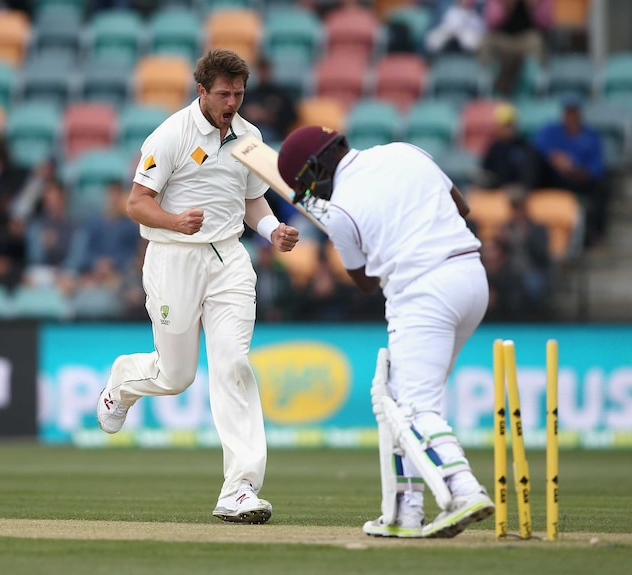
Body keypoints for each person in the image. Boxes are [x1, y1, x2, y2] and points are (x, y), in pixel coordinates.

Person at [96, 49, 300, 524]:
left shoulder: (251, 139)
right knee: (176, 376)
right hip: (174, 260)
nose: (232, 103)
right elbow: (136, 203)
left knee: (233, 365)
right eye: (224, 94)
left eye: (239, 94)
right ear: (202, 91)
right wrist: (174, 221)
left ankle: (240, 488)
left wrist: (273, 233)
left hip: (229, 258)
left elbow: (254, 203)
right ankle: (123, 381)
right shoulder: (170, 135)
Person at [276, 125, 494, 538]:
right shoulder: (406, 151)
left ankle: (464, 491)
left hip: (422, 294)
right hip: (471, 277)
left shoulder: (340, 211)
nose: (312, 195)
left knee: (412, 409)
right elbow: (461, 207)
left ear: (317, 170)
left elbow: (364, 282)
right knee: (396, 397)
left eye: (307, 186)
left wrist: (334, 222)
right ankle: (405, 511)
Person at [532, 93, 608, 247]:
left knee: (603, 186)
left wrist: (576, 169)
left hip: (579, 179)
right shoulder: (552, 131)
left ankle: (595, 235)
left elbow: (596, 168)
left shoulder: (591, 136)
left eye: (574, 112)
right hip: (556, 178)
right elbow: (536, 148)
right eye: (568, 112)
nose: (571, 116)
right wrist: (554, 158)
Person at [479, 0, 551, 96]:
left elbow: (544, 23)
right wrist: (507, 6)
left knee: (537, 41)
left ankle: (539, 88)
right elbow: (492, 22)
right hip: (503, 39)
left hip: (526, 39)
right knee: (487, 41)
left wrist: (533, 7)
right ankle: (485, 86)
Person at [479, 102, 540, 192]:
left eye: (510, 125)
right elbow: (488, 173)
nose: (508, 129)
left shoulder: (525, 147)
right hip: (496, 192)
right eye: (505, 125)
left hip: (519, 192)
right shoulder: (493, 148)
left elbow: (530, 178)